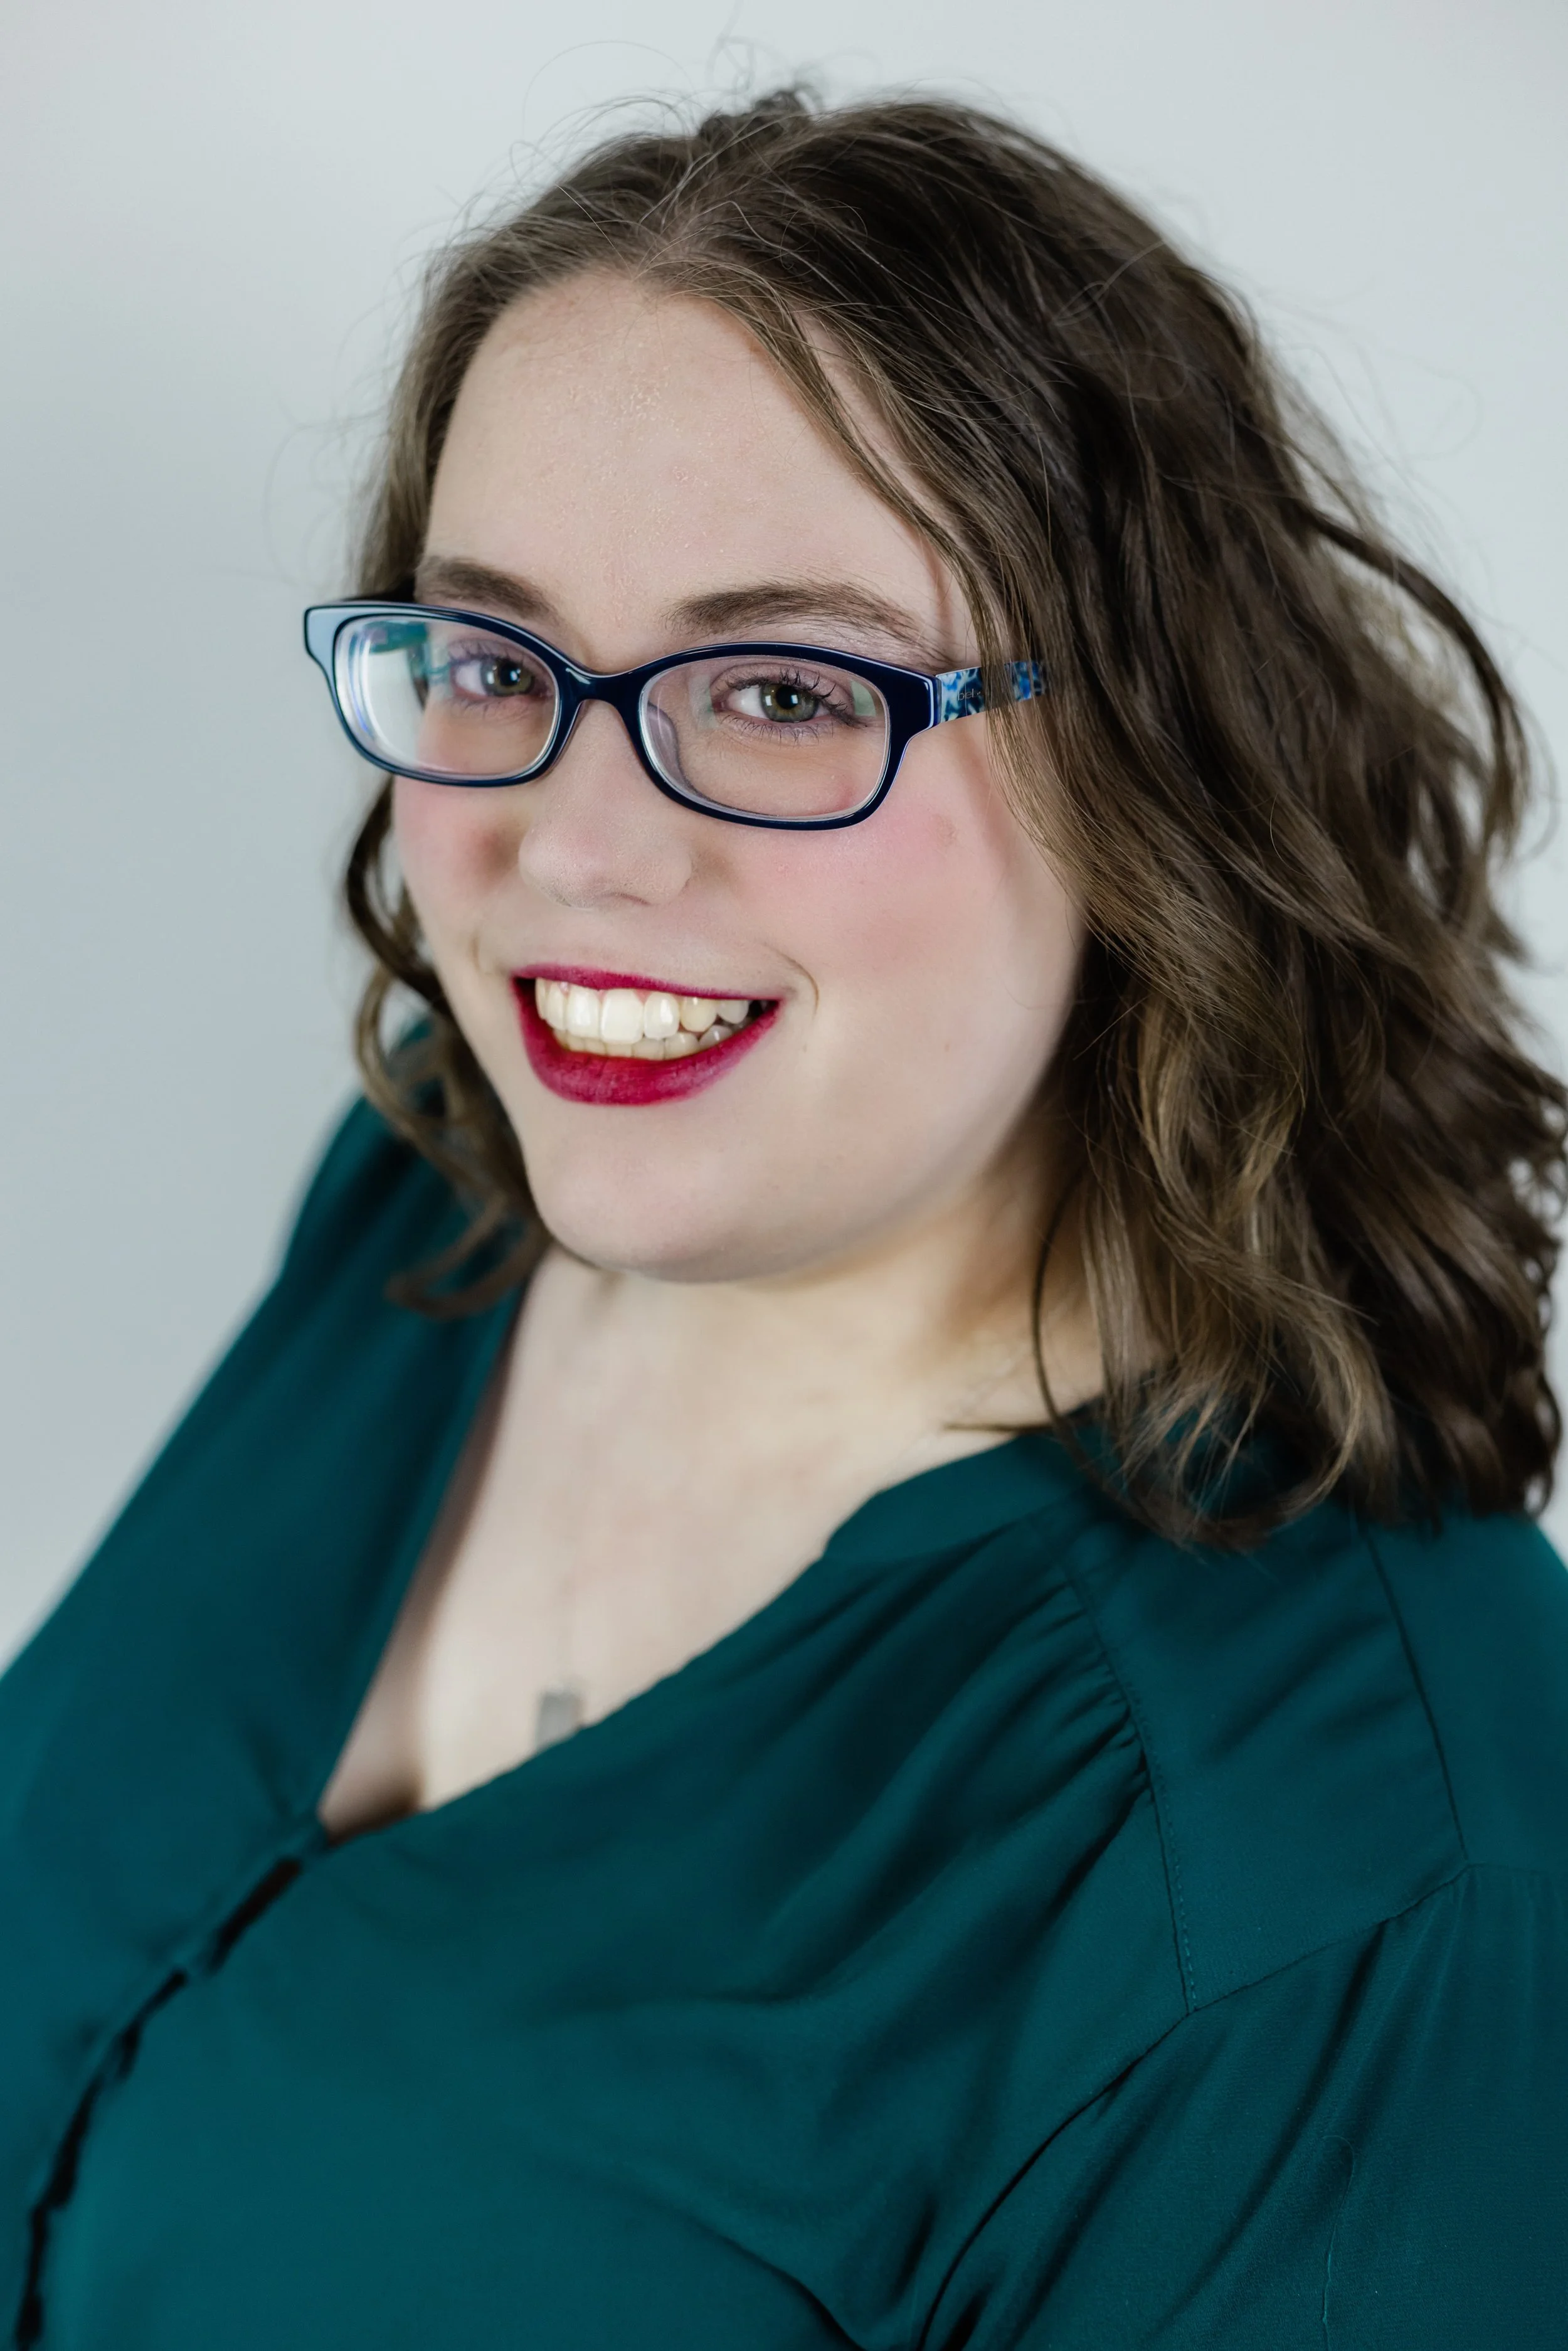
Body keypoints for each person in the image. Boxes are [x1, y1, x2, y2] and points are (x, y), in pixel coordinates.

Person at [3, 86, 1565, 2350]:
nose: (580, 841)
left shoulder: (1357, 1888)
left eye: (779, 691)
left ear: (1154, 762)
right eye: (490, 660)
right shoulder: (441, 1193)